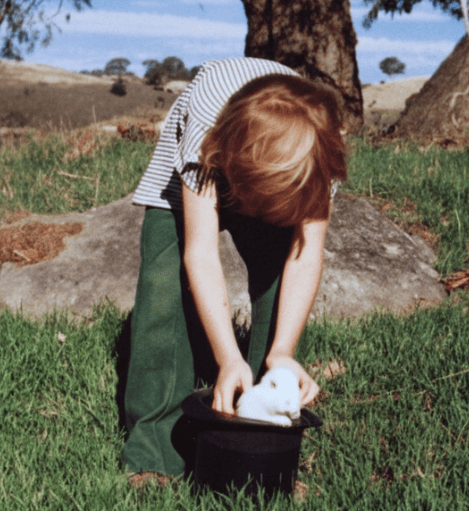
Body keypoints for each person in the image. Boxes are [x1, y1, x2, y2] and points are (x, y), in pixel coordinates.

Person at [122, 57, 348, 480]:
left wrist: (282, 351)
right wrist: (227, 357)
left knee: (278, 270)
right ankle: (154, 452)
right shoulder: (206, 135)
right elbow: (201, 252)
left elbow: (305, 254)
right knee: (162, 287)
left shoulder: (318, 154)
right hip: (198, 166)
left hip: (271, 162)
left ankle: (263, 435)